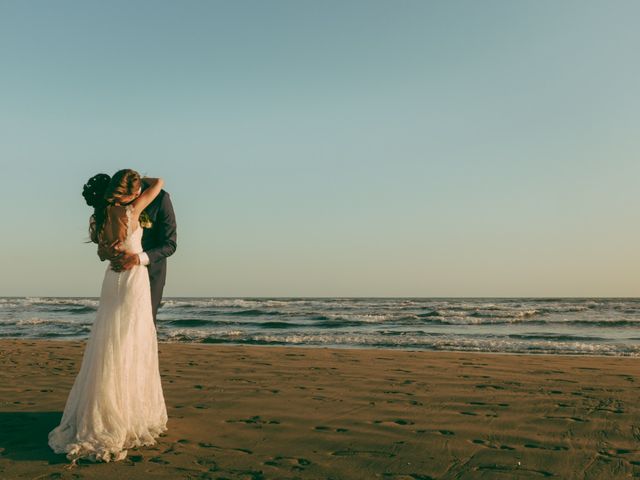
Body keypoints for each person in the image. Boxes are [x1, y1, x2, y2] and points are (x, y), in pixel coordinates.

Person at [48, 169, 168, 463]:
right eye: (135, 190)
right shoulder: (132, 209)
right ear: (130, 193)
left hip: (111, 280)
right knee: (132, 342)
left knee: (108, 344)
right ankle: (127, 412)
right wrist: (140, 182)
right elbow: (159, 183)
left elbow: (103, 254)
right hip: (132, 279)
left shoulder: (99, 217)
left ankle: (104, 408)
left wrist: (127, 184)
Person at [102, 176, 177, 324]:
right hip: (119, 269)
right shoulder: (113, 196)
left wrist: (137, 259)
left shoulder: (161, 199)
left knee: (145, 321)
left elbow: (170, 244)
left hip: (151, 270)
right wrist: (107, 249)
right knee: (115, 320)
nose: (117, 203)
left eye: (122, 200)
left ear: (136, 194)